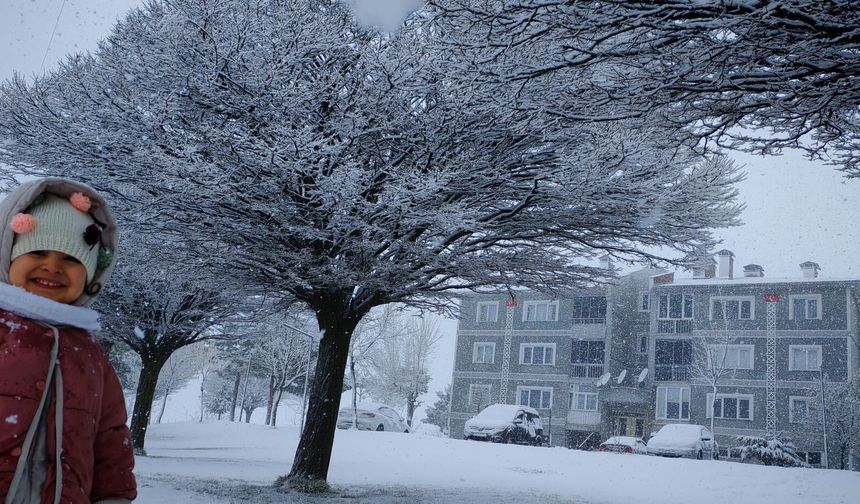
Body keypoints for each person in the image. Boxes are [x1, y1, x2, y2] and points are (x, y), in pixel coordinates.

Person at [0, 178, 136, 504]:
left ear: (91, 277)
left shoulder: (91, 357)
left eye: (72, 259)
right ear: (7, 257)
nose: (53, 266)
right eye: (38, 251)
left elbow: (110, 439)